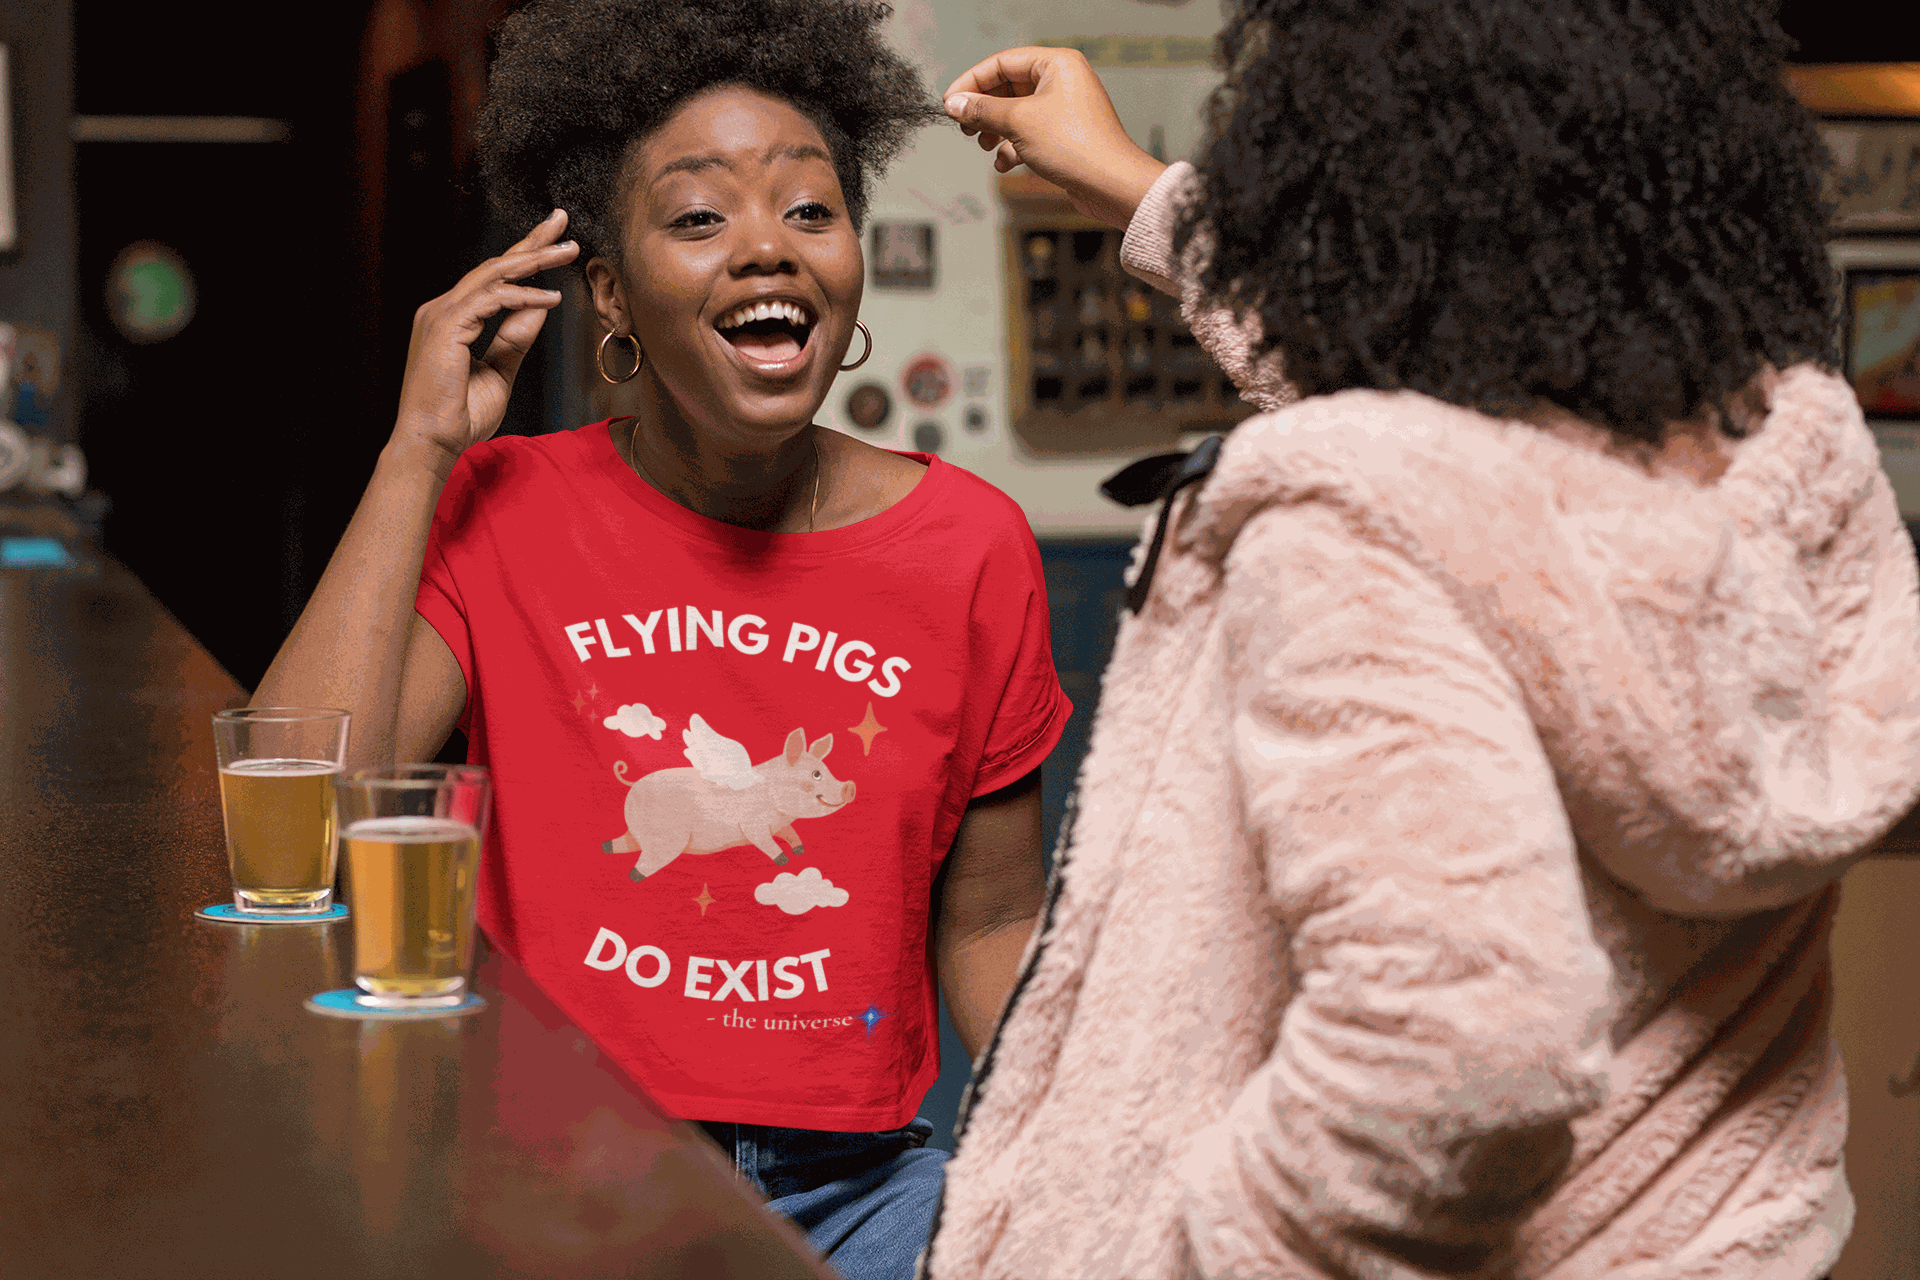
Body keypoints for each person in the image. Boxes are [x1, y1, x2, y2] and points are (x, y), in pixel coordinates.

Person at [923, 3, 1920, 1277]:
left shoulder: (1359, 525)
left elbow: (1458, 1057)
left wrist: (1187, 1248)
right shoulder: (1785, 461)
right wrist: (1131, 184)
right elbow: (1447, 405)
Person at [253, 3, 1071, 1277]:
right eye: (699, 218)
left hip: (870, 1194)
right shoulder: (506, 503)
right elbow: (307, 814)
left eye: (811, 211)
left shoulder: (971, 543)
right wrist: (418, 450)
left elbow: (990, 924)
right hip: (550, 1171)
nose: (768, 248)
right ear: (610, 292)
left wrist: (1075, 1166)